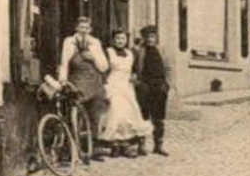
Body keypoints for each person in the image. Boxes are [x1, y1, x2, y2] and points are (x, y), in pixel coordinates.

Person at [57, 15, 108, 150]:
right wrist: (62, 80)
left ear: (90, 29)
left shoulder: (95, 42)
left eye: (87, 27)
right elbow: (64, 63)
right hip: (77, 80)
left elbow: (104, 66)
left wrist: (93, 58)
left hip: (94, 81)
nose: (84, 30)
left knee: (95, 114)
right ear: (76, 28)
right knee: (75, 113)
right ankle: (73, 147)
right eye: (81, 27)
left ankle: (94, 147)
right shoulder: (69, 41)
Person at [101, 28, 154, 156]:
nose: (120, 41)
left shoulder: (131, 53)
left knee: (130, 113)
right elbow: (103, 69)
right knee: (115, 114)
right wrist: (104, 84)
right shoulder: (108, 52)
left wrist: (134, 76)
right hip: (113, 85)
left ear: (126, 40)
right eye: (117, 38)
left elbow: (135, 70)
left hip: (126, 86)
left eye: (123, 38)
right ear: (113, 40)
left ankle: (127, 145)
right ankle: (115, 144)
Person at [135, 25, 170, 156]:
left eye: (152, 36)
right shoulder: (138, 50)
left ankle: (158, 145)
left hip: (160, 86)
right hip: (145, 86)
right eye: (147, 37)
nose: (150, 39)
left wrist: (168, 84)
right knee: (143, 116)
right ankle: (141, 145)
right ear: (143, 38)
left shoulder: (162, 50)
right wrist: (138, 83)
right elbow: (133, 68)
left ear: (156, 37)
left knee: (159, 117)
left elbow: (169, 67)